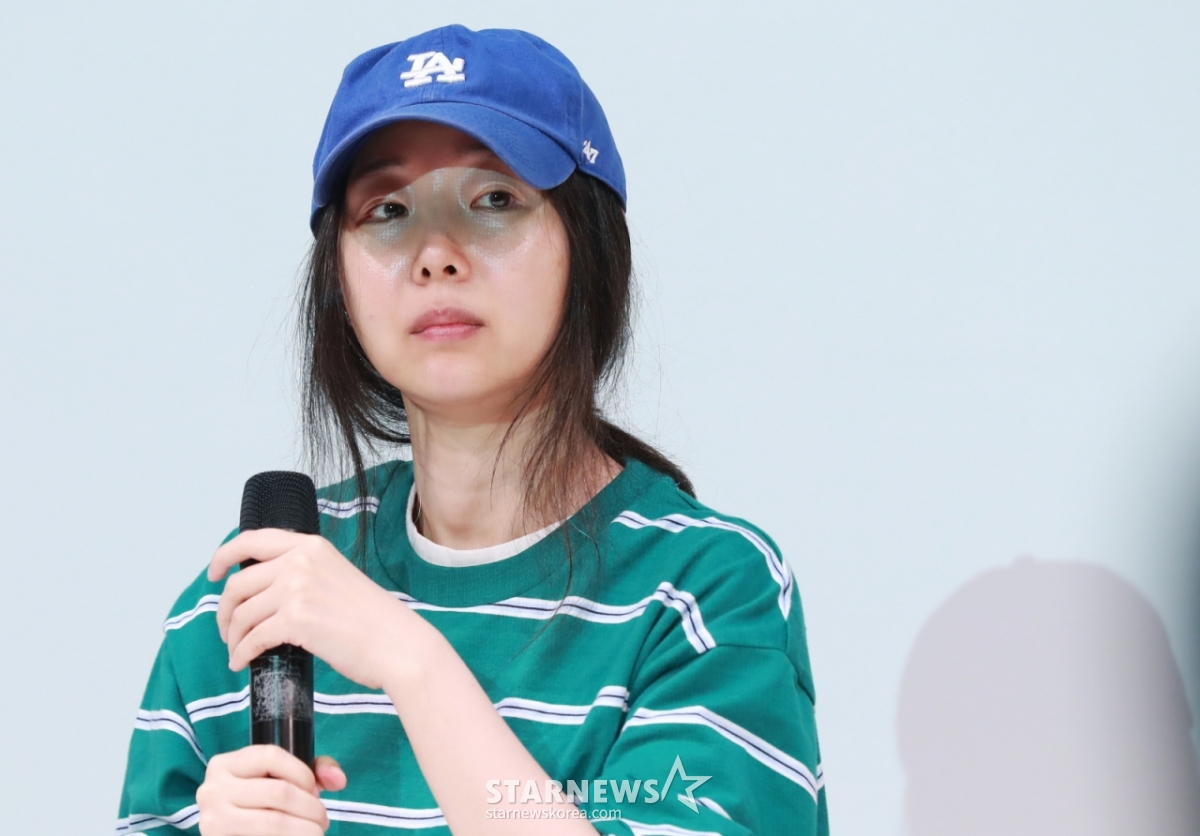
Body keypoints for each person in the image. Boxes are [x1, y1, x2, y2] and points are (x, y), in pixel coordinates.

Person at [116, 24, 828, 836]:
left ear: (589, 246)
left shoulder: (704, 593)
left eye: (494, 200)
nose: (436, 255)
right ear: (339, 281)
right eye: (387, 211)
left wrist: (411, 661)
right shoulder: (259, 596)